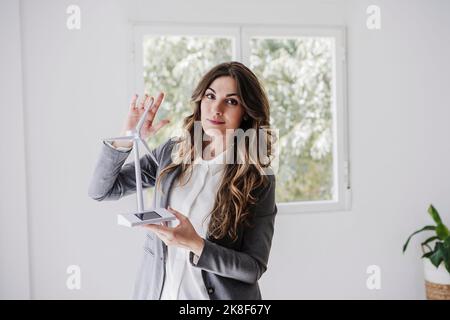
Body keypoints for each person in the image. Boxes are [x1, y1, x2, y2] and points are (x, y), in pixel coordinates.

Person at [88, 61, 277, 300]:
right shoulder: (173, 151)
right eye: (210, 96)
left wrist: (197, 244)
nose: (216, 108)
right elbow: (102, 190)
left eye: (231, 101)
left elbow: (252, 268)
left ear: (247, 113)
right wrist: (128, 137)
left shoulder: (258, 179)